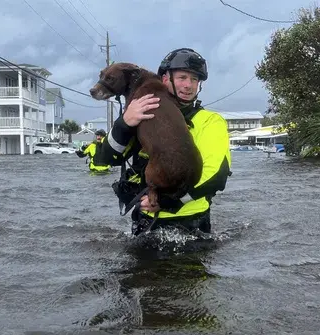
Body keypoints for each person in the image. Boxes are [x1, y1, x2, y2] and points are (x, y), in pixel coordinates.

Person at [93, 48, 232, 236]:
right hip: (144, 220)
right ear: (165, 79)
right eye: (182, 77)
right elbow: (104, 159)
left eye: (194, 80)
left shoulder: (210, 121)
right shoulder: (140, 112)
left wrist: (168, 202)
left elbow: (216, 176)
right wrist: (124, 124)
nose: (189, 85)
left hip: (190, 223)